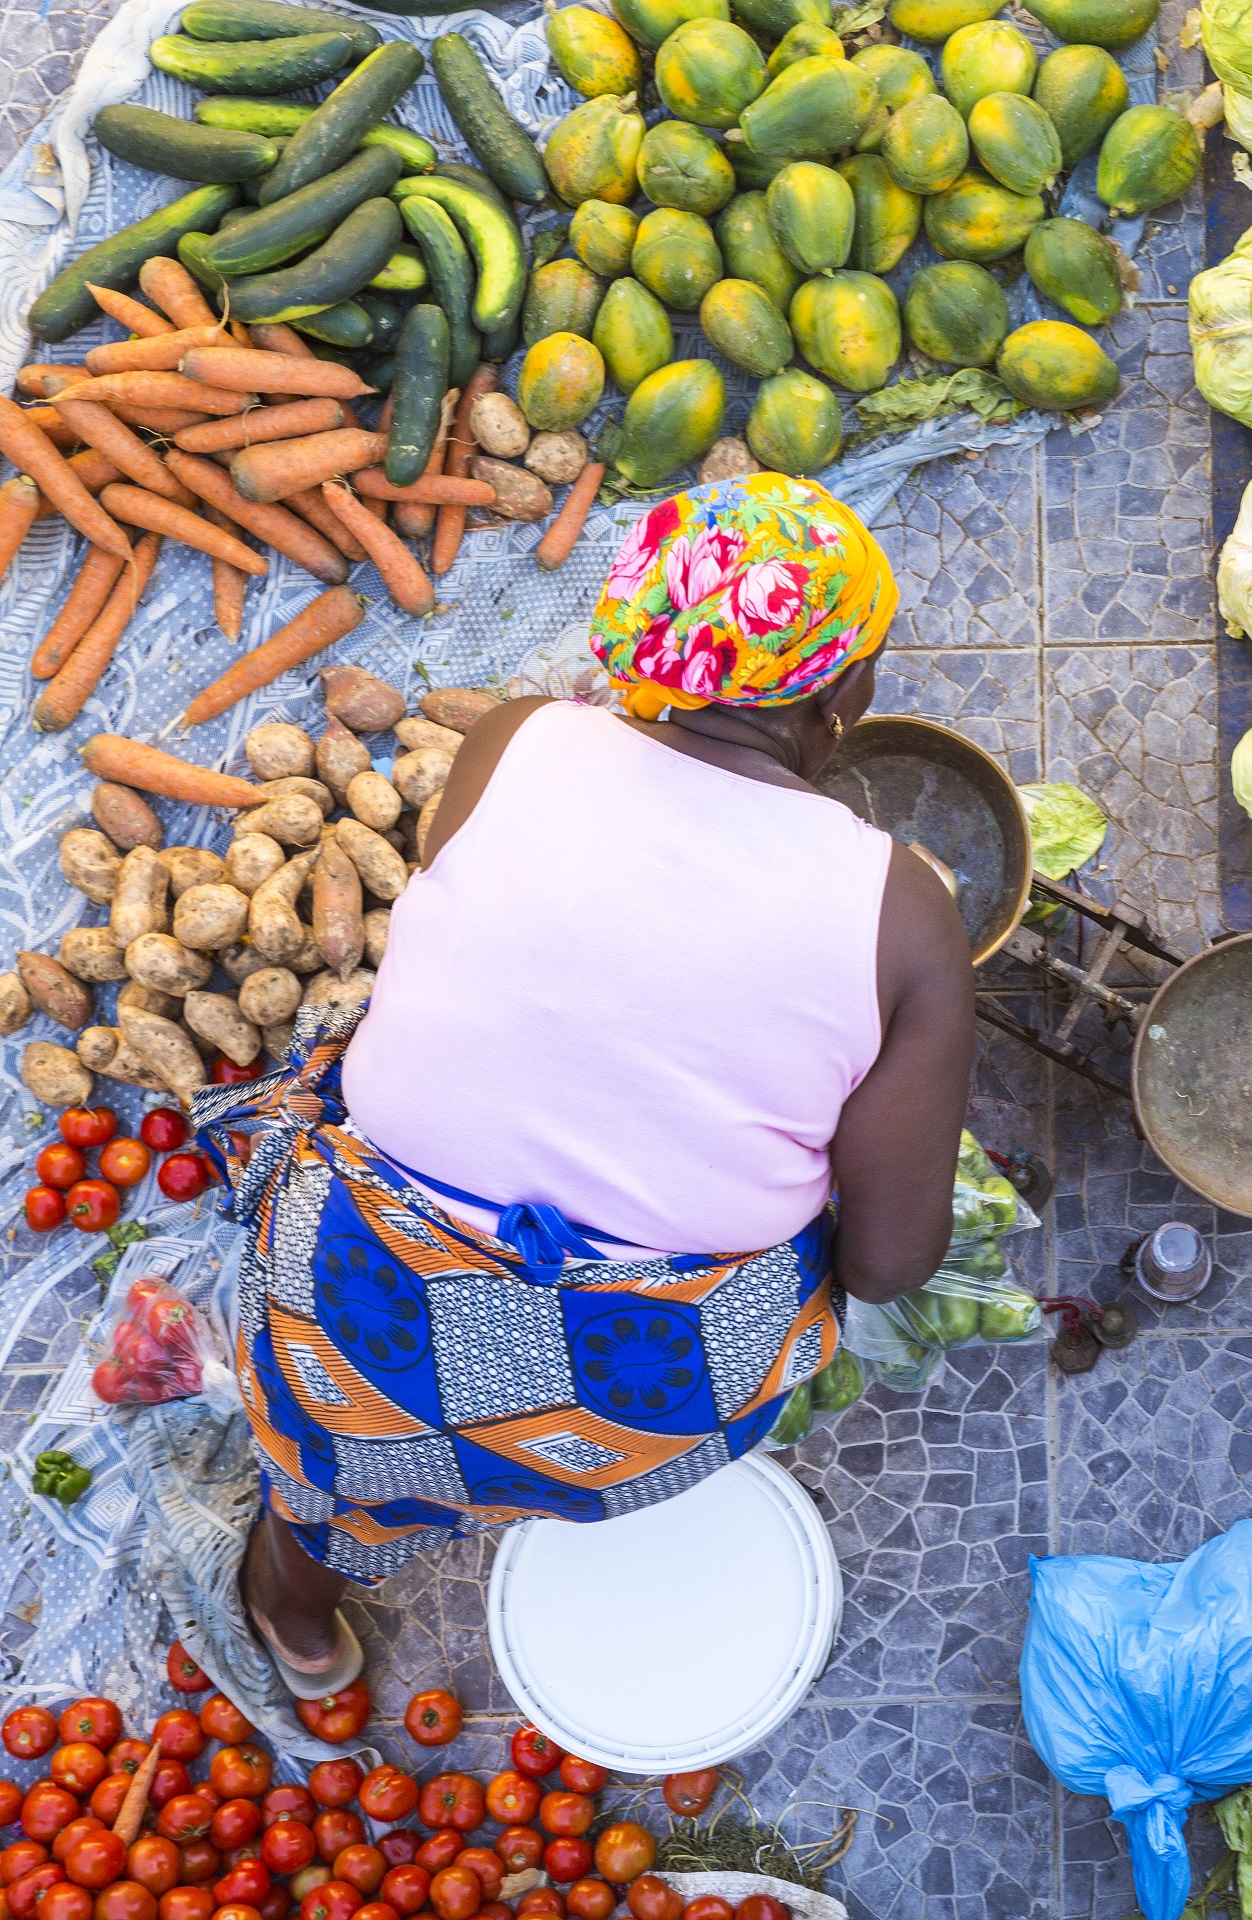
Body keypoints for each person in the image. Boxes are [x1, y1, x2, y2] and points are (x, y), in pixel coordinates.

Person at [195, 474, 978, 1699]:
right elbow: (889, 1264)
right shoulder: (901, 913)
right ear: (838, 694)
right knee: (790, 1242)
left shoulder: (522, 740)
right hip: (637, 1405)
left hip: (352, 1318)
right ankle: (537, 1473)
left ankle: (294, 1605)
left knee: (335, 1458)